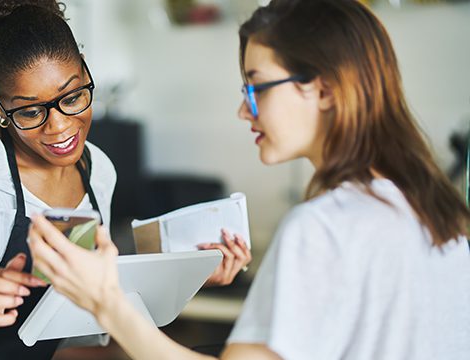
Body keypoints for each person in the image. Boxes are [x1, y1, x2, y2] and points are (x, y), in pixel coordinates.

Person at [26, 0, 470, 359]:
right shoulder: (439, 215)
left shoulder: (322, 228)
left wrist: (107, 301)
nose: (244, 110)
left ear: (325, 89)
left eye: (255, 88)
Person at [0, 1, 250, 358]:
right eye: (29, 112)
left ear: (86, 71)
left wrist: (191, 273)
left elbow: (82, 323)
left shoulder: (99, 171)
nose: (60, 127)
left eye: (73, 96)